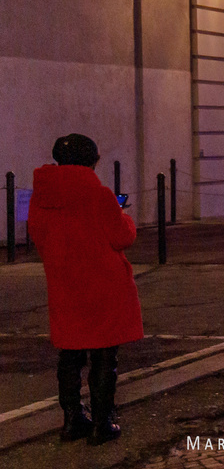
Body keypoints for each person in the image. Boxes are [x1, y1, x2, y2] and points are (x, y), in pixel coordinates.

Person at [27, 134, 143, 444]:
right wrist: (126, 219)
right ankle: (102, 423)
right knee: (105, 355)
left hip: (64, 283)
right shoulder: (98, 194)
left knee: (71, 353)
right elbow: (122, 236)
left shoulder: (42, 196)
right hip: (102, 284)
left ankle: (72, 420)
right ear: (91, 160)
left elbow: (37, 235)